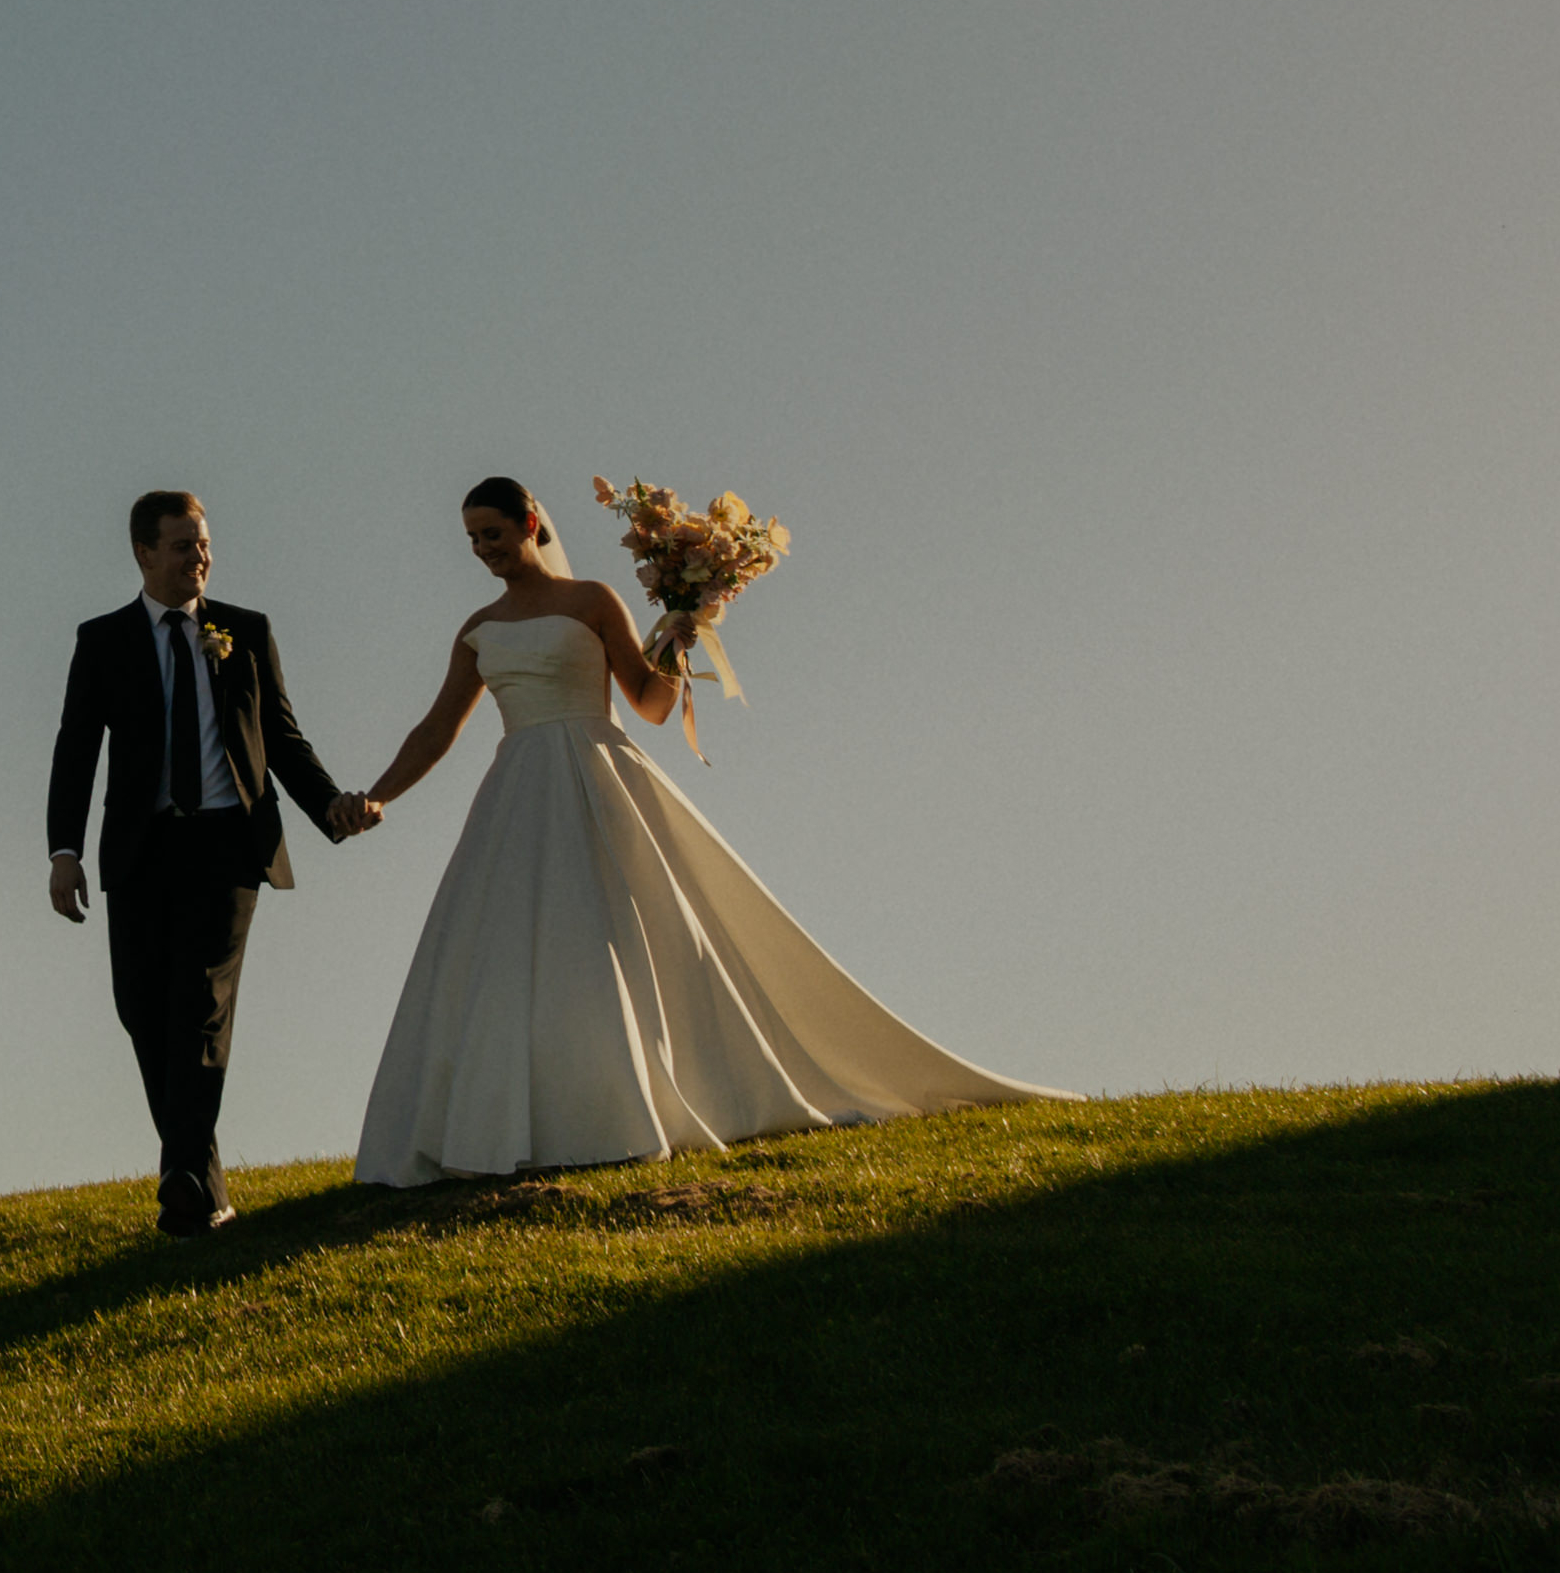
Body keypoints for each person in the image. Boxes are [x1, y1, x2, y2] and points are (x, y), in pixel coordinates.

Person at [332, 476, 1064, 1186]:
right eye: (470, 539)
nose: (481, 549)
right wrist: (380, 795)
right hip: (516, 791)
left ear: (530, 525)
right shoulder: (479, 629)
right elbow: (435, 729)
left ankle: (631, 1109)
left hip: (596, 773)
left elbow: (648, 704)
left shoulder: (592, 601)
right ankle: (523, 1125)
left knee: (615, 934)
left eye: (491, 533)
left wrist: (682, 630)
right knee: (510, 951)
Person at [42, 490, 364, 1237]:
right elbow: (76, 750)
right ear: (144, 554)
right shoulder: (104, 639)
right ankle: (200, 1181)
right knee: (142, 1012)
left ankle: (181, 1179)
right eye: (184, 546)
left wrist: (331, 811)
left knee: (199, 1003)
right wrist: (64, 852)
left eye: (205, 543)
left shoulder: (244, 631)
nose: (201, 558)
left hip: (227, 843)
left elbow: (282, 739)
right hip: (140, 850)